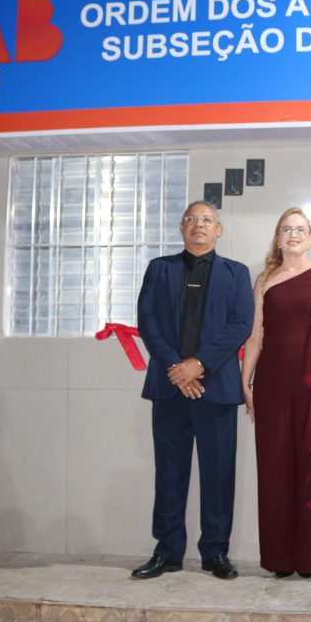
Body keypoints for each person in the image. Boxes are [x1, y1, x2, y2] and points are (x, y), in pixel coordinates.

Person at [131, 201, 254, 581]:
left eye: (207, 220)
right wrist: (176, 367)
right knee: (169, 473)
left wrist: (198, 364)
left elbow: (241, 324)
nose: (198, 225)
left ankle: (215, 552)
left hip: (215, 390)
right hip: (169, 388)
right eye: (191, 219)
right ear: (181, 228)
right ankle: (167, 551)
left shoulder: (236, 273)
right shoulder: (160, 269)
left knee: (218, 475)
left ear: (219, 229)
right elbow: (147, 321)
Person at [240, 208, 311, 578]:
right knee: (275, 468)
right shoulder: (264, 279)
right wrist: (246, 382)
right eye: (286, 229)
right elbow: (255, 336)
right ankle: (280, 559)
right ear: (278, 237)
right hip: (272, 384)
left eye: (300, 229)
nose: (293, 234)